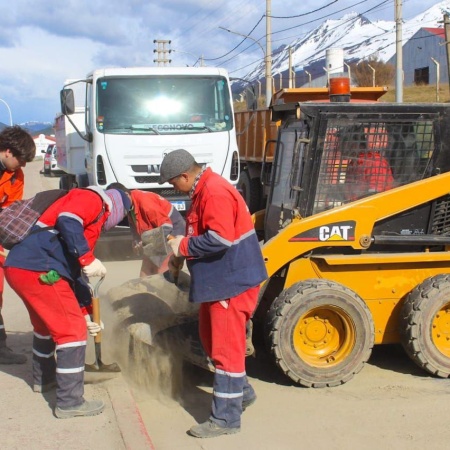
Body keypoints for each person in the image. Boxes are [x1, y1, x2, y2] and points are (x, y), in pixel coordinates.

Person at [158, 149, 267, 438]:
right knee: (210, 339)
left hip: (232, 283)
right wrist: (181, 249)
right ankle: (241, 394)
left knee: (226, 351)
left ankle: (225, 419)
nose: (173, 188)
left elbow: (219, 238)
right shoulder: (203, 190)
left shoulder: (214, 192)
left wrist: (182, 247)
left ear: (185, 175)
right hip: (220, 282)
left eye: (173, 183)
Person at [4, 186, 131, 419]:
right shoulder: (93, 199)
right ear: (118, 205)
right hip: (40, 269)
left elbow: (75, 276)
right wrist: (88, 258)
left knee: (45, 326)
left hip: (20, 266)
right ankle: (70, 402)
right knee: (71, 332)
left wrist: (87, 313)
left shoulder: (84, 227)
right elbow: (68, 219)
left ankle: (45, 380)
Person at [0, 125, 36, 364]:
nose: (22, 167)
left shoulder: (15, 176)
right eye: (21, 160)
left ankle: (0, 347)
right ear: (8, 152)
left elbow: (10, 211)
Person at [106, 182, 185, 277]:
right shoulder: (130, 204)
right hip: (158, 232)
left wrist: (149, 243)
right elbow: (134, 226)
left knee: (162, 268)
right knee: (147, 268)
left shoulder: (144, 202)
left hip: (173, 230)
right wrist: (137, 240)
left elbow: (166, 226)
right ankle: (144, 286)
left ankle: (168, 285)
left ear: (126, 195)